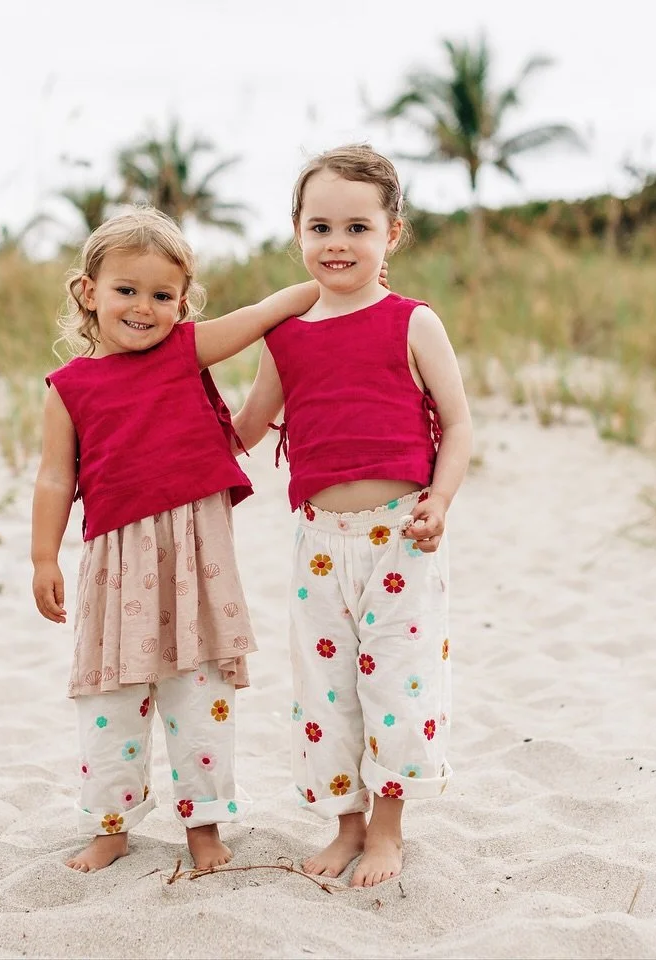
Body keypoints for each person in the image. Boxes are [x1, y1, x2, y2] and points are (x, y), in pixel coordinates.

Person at [32, 207, 321, 873]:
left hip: (197, 562)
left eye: (162, 295)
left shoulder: (185, 349)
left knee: (201, 697)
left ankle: (204, 828)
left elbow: (264, 312)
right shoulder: (68, 389)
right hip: (117, 566)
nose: (143, 307)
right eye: (125, 290)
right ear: (89, 293)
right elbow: (54, 478)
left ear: (182, 303)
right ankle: (110, 825)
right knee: (111, 701)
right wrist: (43, 555)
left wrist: (332, 286)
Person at [233, 145, 473, 888]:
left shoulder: (413, 323)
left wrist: (439, 500)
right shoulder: (288, 334)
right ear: (298, 233)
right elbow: (245, 430)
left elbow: (459, 425)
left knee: (396, 689)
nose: (338, 244)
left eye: (358, 228)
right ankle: (346, 824)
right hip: (318, 544)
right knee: (326, 692)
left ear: (391, 234)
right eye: (321, 227)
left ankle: (389, 831)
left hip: (401, 537)